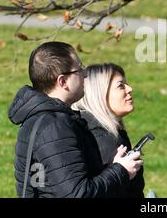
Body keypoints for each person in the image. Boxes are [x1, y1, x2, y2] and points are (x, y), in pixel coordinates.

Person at [8, 42, 143, 198]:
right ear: (62, 82)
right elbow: (77, 194)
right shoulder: (55, 126)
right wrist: (121, 171)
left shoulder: (38, 120)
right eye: (79, 69)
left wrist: (111, 167)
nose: (85, 74)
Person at [73, 63, 145, 198]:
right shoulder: (103, 139)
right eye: (121, 85)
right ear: (99, 94)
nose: (130, 89)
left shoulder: (101, 131)